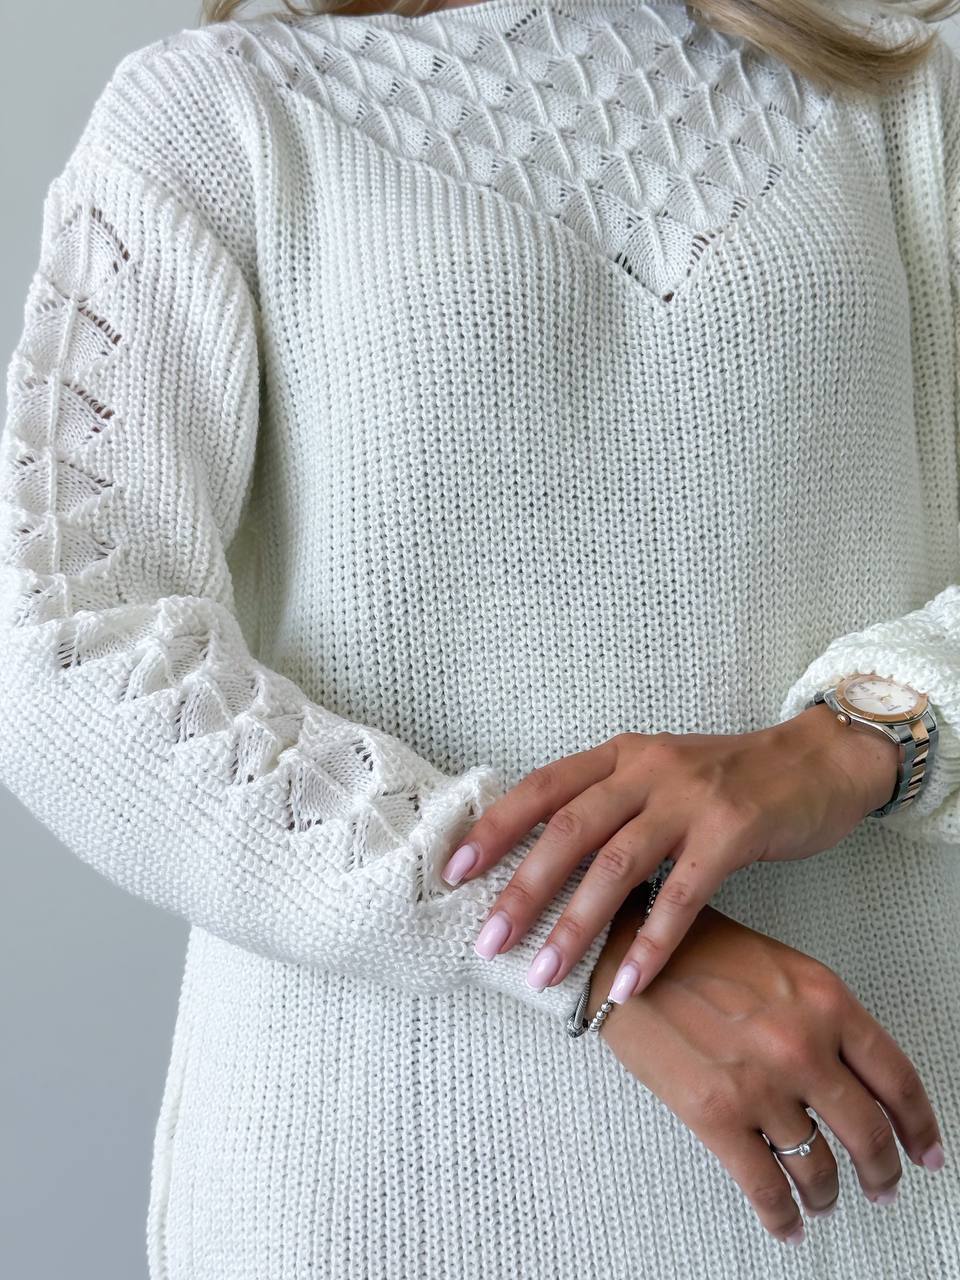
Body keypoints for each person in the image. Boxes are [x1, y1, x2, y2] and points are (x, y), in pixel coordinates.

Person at [0, 0, 957, 1275]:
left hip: (887, 1151)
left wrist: (861, 735)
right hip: (378, 1188)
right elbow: (64, 643)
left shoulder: (902, 87)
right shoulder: (217, 117)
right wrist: (581, 928)